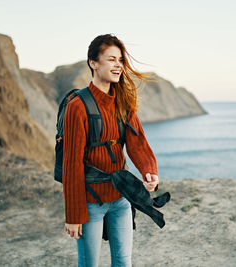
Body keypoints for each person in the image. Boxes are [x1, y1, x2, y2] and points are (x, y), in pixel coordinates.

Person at [62, 33, 159, 267]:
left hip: (121, 198)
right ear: (93, 63)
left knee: (123, 262)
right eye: (111, 59)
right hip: (90, 203)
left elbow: (137, 142)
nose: (118, 65)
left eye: (120, 60)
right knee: (89, 264)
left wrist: (149, 171)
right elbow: (71, 164)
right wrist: (74, 216)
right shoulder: (77, 106)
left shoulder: (123, 102)